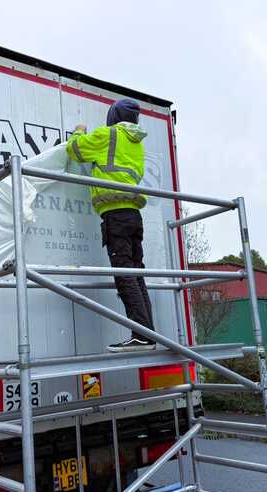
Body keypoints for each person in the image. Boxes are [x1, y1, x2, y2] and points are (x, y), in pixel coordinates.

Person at [67, 99, 156, 352]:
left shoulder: (107, 135)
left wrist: (79, 129)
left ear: (113, 116)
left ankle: (142, 335)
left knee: (125, 274)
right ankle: (147, 333)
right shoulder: (137, 143)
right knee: (137, 274)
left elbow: (75, 150)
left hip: (115, 216)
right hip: (133, 215)